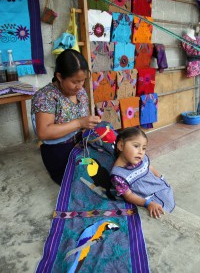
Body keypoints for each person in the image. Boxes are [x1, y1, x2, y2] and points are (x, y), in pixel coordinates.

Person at [31, 49, 101, 185]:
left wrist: (92, 127)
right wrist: (79, 123)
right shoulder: (45, 96)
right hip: (58, 151)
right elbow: (43, 133)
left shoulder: (80, 93)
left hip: (80, 143)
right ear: (59, 76)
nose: (80, 86)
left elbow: (84, 121)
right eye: (75, 82)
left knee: (108, 161)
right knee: (82, 179)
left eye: (83, 81)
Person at [110, 127, 175, 218]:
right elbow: (128, 195)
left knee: (168, 202)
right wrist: (148, 203)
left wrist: (161, 177)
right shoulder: (118, 175)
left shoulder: (141, 159)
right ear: (121, 146)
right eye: (136, 146)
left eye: (144, 148)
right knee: (160, 213)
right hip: (147, 198)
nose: (141, 152)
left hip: (160, 188)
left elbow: (149, 167)